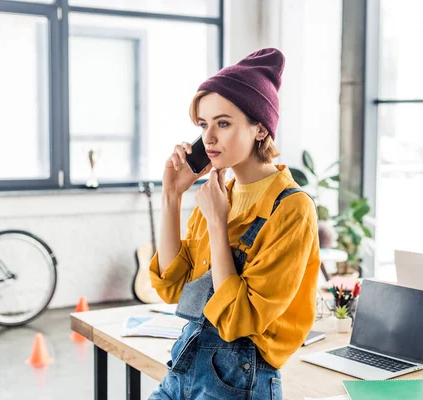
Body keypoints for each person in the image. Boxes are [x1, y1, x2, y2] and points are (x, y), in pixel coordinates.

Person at [148, 48, 320, 399]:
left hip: (237, 382)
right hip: (183, 368)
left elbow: (239, 320)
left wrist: (217, 223)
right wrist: (171, 196)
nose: (208, 138)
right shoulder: (218, 193)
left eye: (223, 123)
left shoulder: (291, 209)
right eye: (203, 125)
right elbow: (173, 288)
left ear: (259, 128)